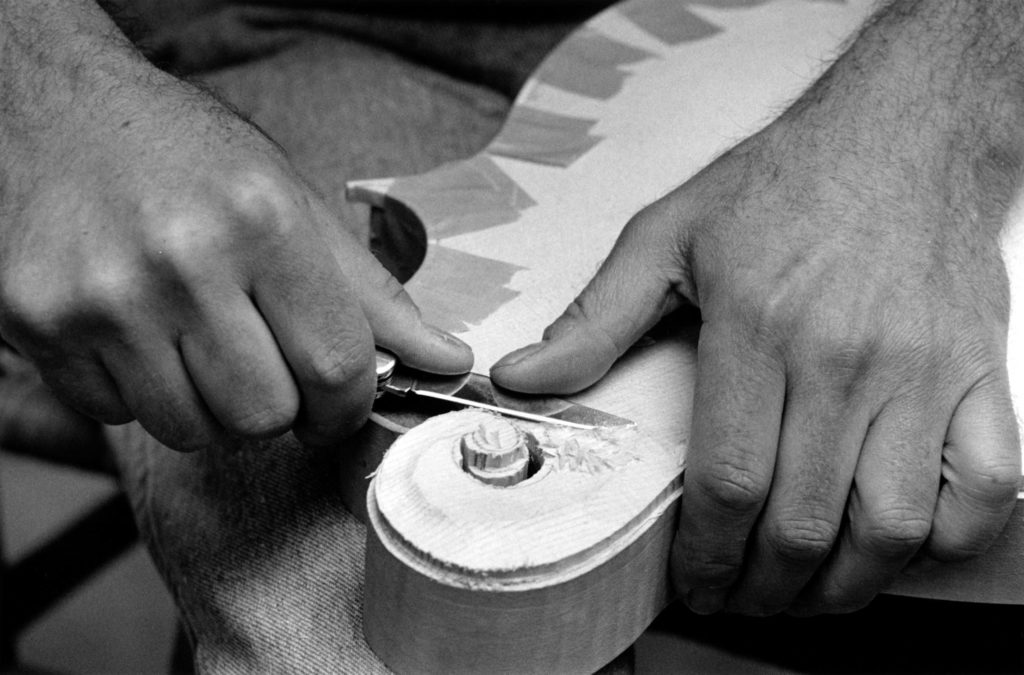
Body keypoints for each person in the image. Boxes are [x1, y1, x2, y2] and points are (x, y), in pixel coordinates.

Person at [0, 0, 1020, 671]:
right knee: (382, 610)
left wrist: (926, 123)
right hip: (276, 36)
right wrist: (44, 95)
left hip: (871, 38)